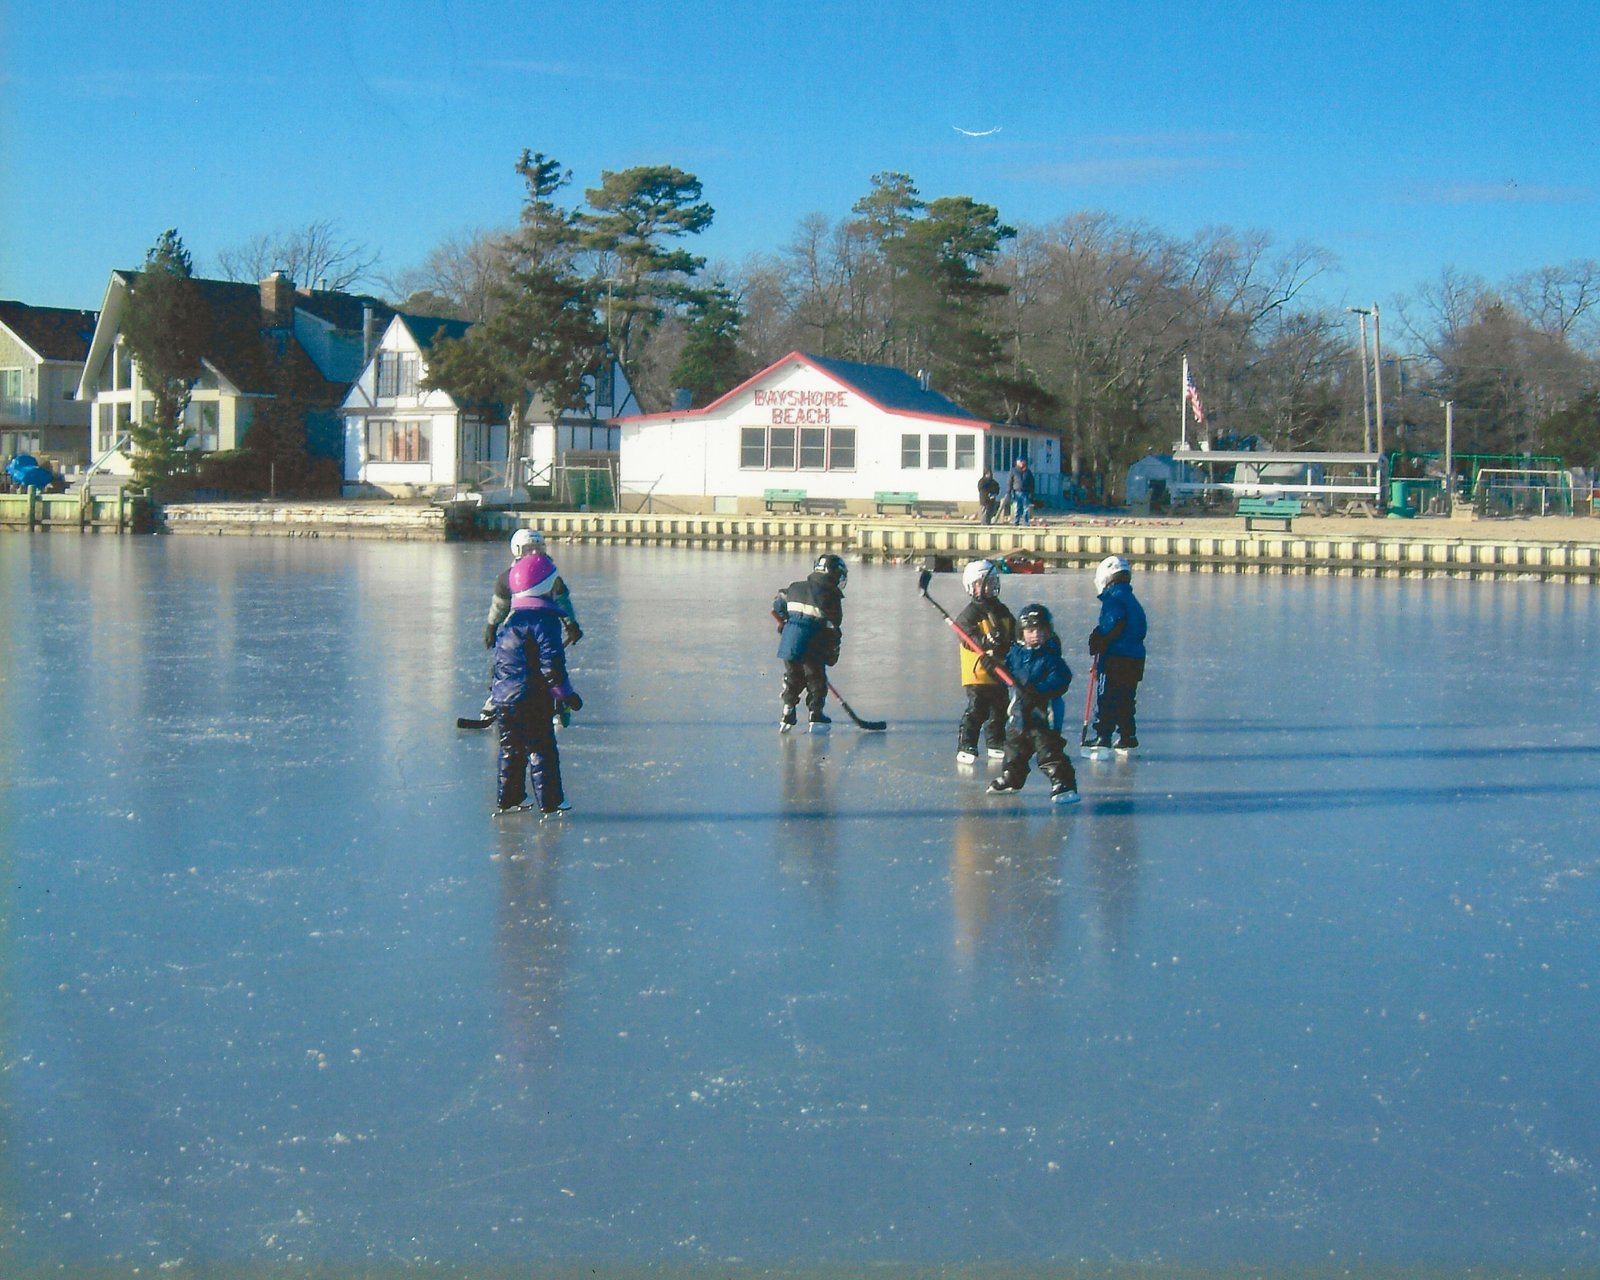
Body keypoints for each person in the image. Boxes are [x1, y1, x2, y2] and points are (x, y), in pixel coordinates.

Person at [490, 551, 582, 817]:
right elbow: (551, 666)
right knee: (542, 749)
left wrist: (496, 694)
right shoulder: (545, 622)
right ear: (545, 587)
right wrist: (567, 695)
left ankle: (510, 798)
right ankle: (551, 802)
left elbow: (500, 664)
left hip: (504, 700)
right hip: (532, 699)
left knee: (511, 750)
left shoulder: (511, 622)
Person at [480, 529, 582, 721]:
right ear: (517, 550)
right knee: (505, 665)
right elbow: (500, 605)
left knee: (550, 664)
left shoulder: (550, 574)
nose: (534, 553)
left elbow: (562, 600)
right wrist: (492, 626)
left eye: (538, 548)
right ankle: (496, 699)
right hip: (515, 629)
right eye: (529, 549)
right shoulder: (507, 577)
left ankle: (558, 700)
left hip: (544, 626)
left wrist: (571, 623)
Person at [987, 603, 1080, 805]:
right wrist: (993, 667)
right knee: (1014, 748)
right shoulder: (1016, 653)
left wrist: (1038, 691)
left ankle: (1063, 782)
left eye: (1040, 630)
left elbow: (1062, 678)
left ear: (1048, 631)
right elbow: (1006, 675)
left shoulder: (1050, 655)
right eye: (1030, 630)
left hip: (1044, 713)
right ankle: (1013, 777)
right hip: (1020, 712)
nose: (1035, 634)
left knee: (1047, 749)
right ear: (1022, 632)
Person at [772, 552, 847, 733]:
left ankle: (788, 712)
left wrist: (785, 624)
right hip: (813, 646)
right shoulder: (832, 598)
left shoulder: (795, 587)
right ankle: (816, 715)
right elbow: (833, 630)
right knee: (816, 681)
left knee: (792, 677)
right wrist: (831, 655)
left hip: (789, 643)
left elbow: (779, 603)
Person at [953, 559, 1016, 765]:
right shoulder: (969, 614)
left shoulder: (1002, 610)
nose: (989, 587)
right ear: (972, 586)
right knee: (977, 709)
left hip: (999, 671)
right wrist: (985, 641)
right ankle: (967, 744)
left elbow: (1012, 633)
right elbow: (967, 637)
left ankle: (995, 741)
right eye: (983, 583)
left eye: (992, 582)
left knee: (999, 709)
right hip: (978, 673)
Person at [1085, 555, 1148, 755]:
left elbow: (1114, 621)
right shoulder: (1132, 600)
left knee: (1107, 696)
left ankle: (1103, 736)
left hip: (1115, 658)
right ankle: (1127, 736)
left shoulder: (1113, 598)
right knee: (1126, 698)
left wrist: (1100, 639)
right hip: (1135, 658)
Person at [1007, 456, 1035, 526]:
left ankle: (1025, 522)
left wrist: (1031, 492)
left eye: (1023, 461)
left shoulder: (1028, 472)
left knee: (1026, 508)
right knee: (1017, 508)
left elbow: (1032, 482)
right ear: (1017, 462)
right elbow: (1010, 482)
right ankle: (1016, 522)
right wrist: (1009, 491)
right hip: (1017, 492)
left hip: (1026, 492)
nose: (1022, 463)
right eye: (1021, 461)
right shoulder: (1013, 471)